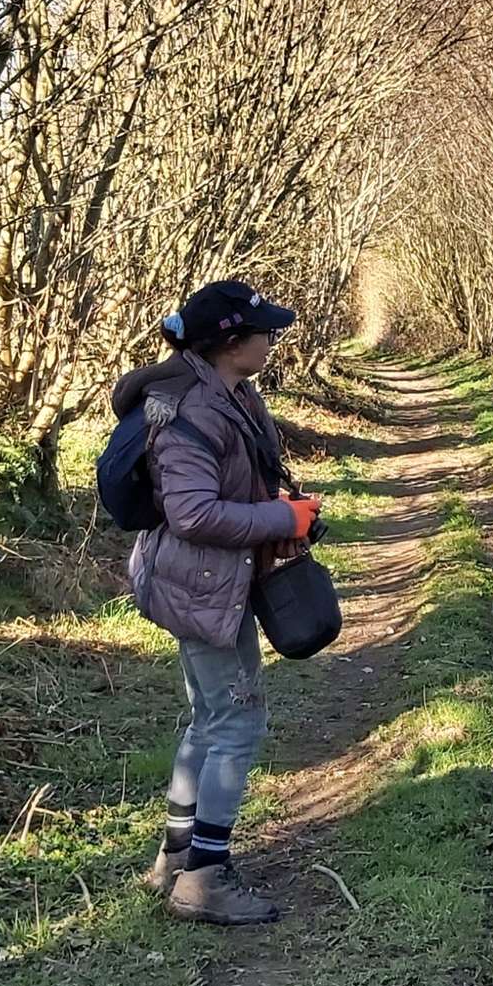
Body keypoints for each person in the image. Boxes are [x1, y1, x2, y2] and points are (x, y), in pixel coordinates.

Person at [110, 280, 319, 926]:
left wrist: (282, 511)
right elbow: (193, 513)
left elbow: (229, 485)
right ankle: (204, 878)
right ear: (231, 343)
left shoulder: (229, 392)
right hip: (198, 586)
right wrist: (280, 518)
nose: (272, 339)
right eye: (264, 331)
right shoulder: (190, 412)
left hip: (206, 579)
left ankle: (176, 859)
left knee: (209, 718)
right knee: (237, 722)